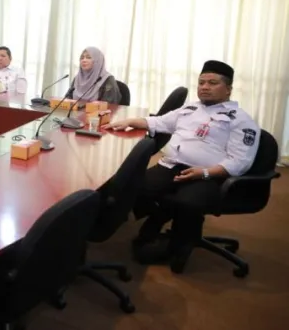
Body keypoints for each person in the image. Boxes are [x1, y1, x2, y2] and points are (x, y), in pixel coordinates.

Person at [102, 60, 261, 268]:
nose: (204, 87)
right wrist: (130, 121)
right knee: (133, 187)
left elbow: (240, 161)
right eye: (201, 82)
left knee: (187, 202)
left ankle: (179, 244)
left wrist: (204, 173)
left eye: (212, 83)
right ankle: (159, 216)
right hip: (171, 166)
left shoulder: (241, 120)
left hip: (208, 175)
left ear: (228, 89)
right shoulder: (189, 109)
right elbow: (158, 122)